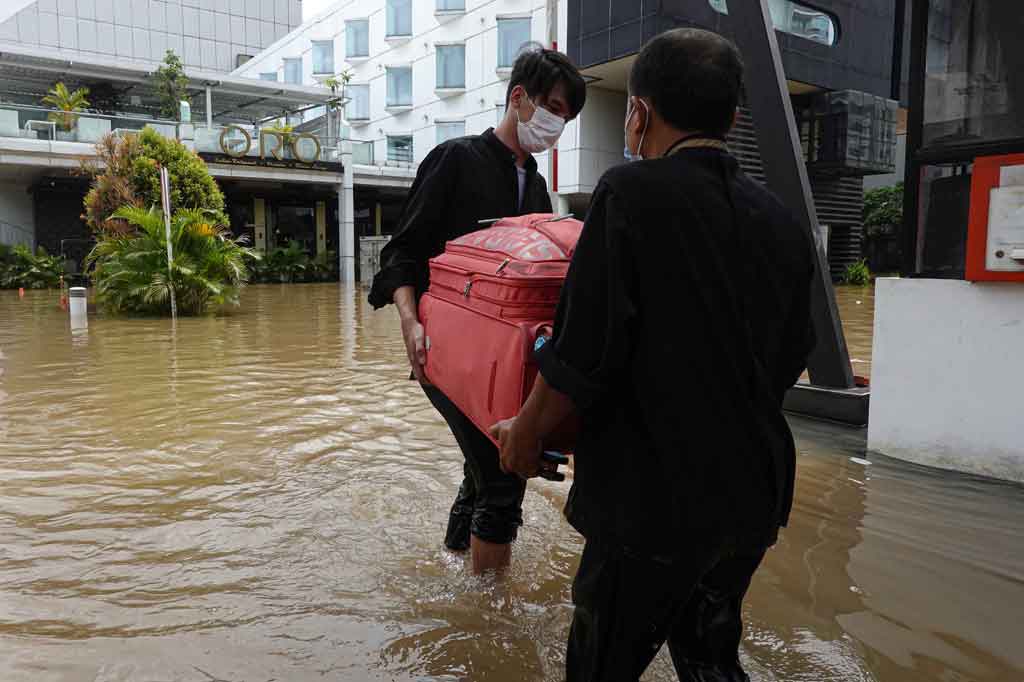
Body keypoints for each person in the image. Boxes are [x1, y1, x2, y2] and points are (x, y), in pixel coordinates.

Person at [490, 28, 816, 681]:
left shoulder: (630, 194)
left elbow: (583, 350)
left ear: (638, 114)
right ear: (731, 118)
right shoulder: (782, 218)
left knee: (602, 663)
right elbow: (790, 355)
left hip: (654, 505)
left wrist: (523, 435)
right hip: (754, 495)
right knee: (709, 658)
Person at [368, 46, 587, 574]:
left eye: (567, 116)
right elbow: (402, 253)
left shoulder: (535, 185)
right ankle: (491, 622)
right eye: (553, 107)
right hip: (445, 350)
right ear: (519, 98)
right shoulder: (455, 158)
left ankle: (454, 563)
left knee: (481, 467)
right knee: (502, 476)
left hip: (502, 361)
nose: (557, 123)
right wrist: (410, 325)